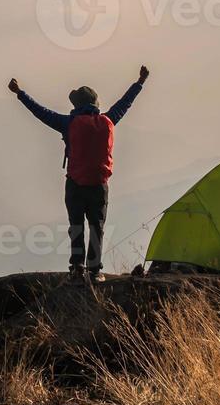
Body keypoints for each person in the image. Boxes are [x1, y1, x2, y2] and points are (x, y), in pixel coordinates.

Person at [8, 66, 150, 285]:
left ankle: (77, 269)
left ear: (77, 105)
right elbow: (125, 104)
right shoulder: (108, 120)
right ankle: (95, 272)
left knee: (76, 225)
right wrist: (140, 82)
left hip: (75, 184)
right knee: (97, 227)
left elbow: (41, 112)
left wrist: (20, 93)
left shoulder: (69, 123)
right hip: (99, 185)